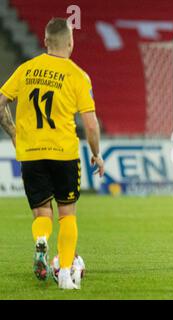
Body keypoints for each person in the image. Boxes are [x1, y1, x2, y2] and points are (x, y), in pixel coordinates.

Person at [0, 18, 104, 289]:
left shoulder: (25, 70)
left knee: (42, 214)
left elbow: (1, 103)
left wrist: (13, 133)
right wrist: (97, 154)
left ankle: (41, 240)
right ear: (70, 43)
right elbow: (91, 124)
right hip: (64, 154)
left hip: (31, 153)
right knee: (67, 214)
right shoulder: (78, 75)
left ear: (45, 41)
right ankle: (67, 275)